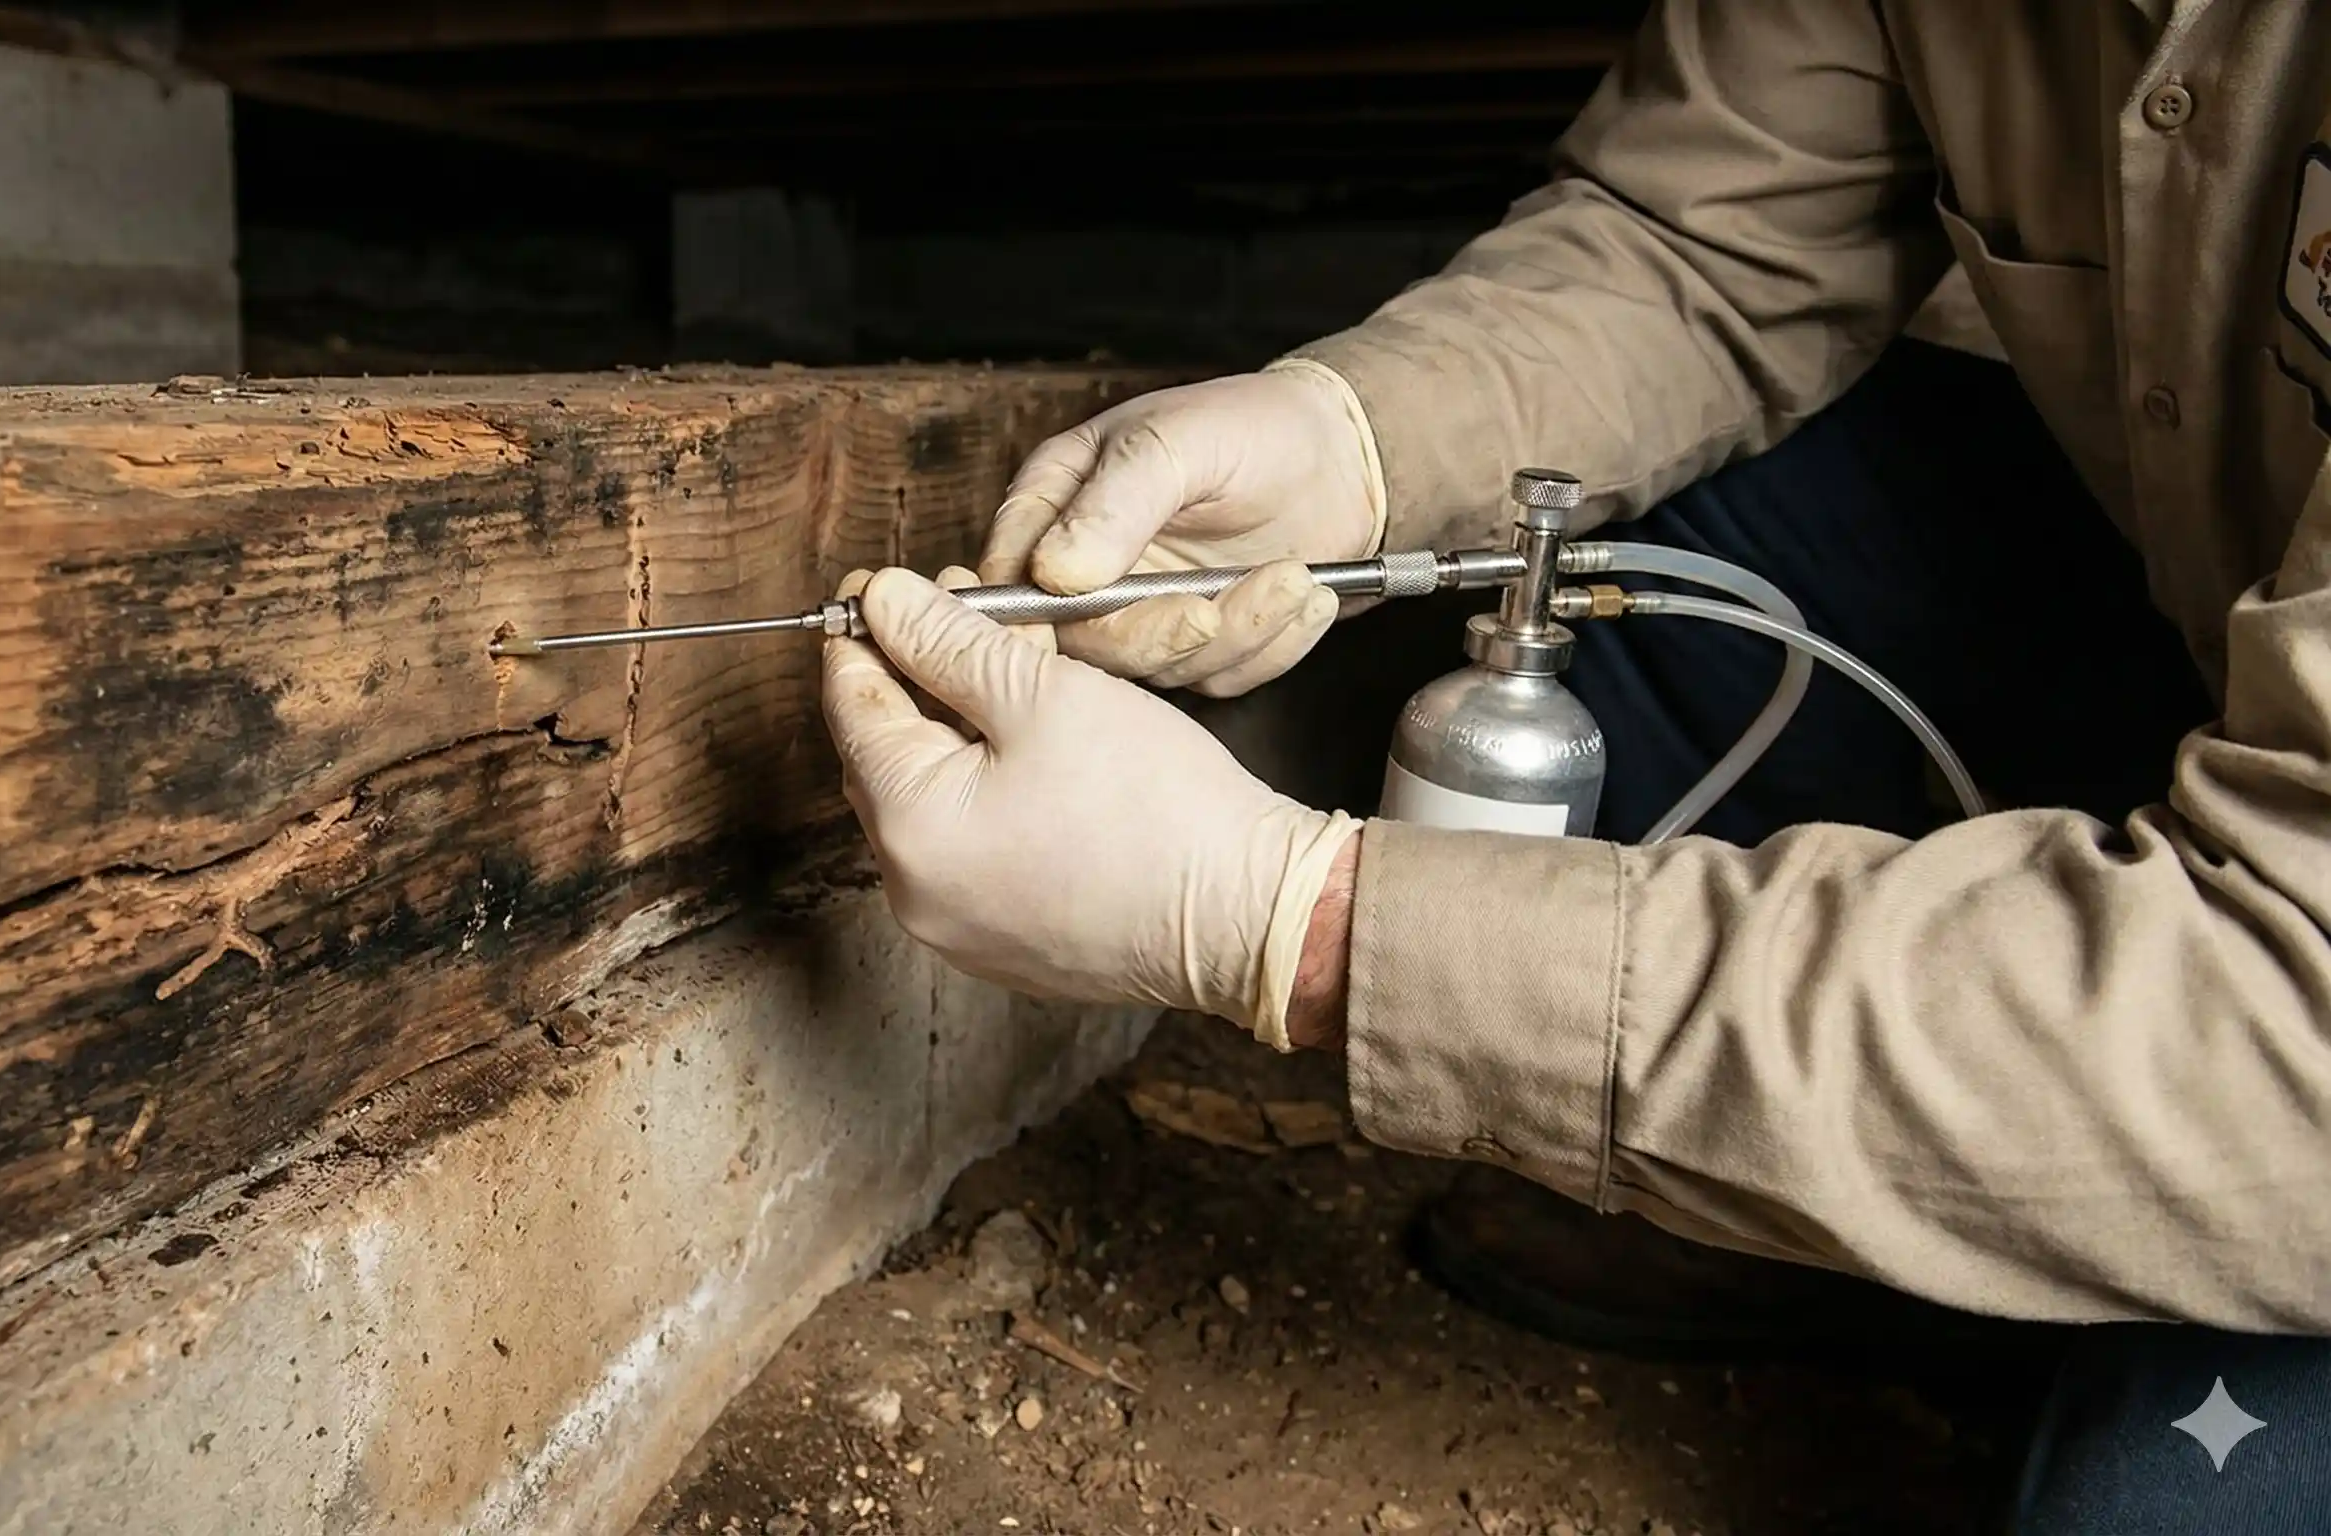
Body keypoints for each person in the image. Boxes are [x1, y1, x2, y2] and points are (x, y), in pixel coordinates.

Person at [819, 1, 2331, 1527]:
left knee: (2153, 1506)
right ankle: (1849, 1197)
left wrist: (1299, 922)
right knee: (1686, 525)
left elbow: (2295, 1036)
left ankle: (1953, 1197)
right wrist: (1356, 441)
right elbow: (1701, 248)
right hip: (2226, 635)